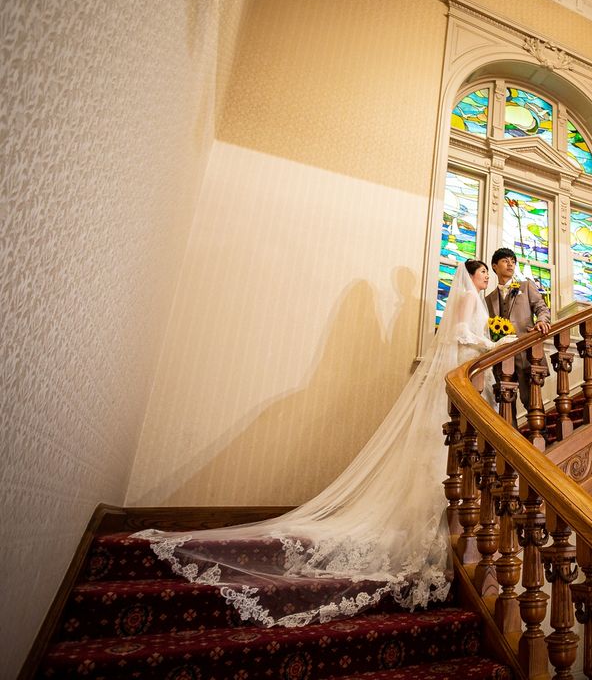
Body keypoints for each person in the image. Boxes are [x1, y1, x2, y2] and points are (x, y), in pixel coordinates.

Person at [132, 261, 508, 627]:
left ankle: (439, 518)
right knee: (442, 445)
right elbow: (460, 332)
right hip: (464, 370)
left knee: (444, 448)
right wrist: (493, 343)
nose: (486, 278)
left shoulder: (477, 298)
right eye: (483, 273)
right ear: (471, 276)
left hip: (469, 374)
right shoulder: (467, 298)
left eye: (487, 275)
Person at [484, 248, 551, 410]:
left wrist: (541, 321)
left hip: (526, 351)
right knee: (506, 405)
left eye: (513, 261)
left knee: (531, 400)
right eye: (505, 261)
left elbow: (542, 308)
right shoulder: (488, 299)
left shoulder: (526, 286)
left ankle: (541, 427)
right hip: (502, 355)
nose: (510, 264)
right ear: (495, 266)